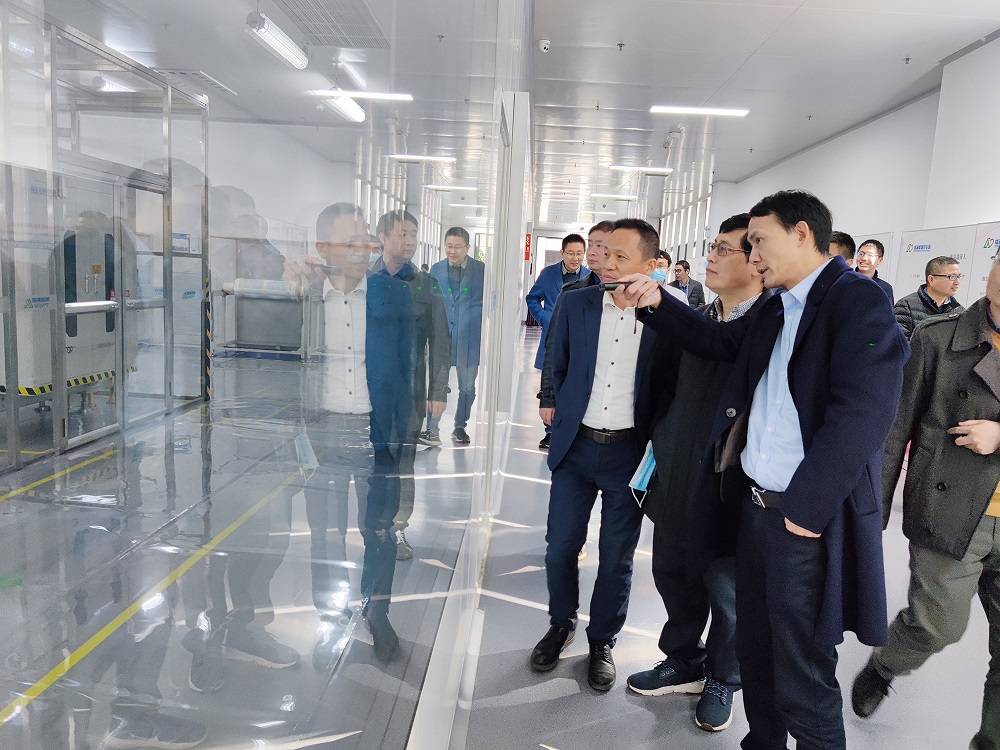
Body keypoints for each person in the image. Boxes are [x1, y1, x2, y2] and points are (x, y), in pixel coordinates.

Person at [617, 190, 909, 750]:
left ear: (802, 233)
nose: (752, 256)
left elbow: (864, 414)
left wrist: (805, 512)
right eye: (747, 245)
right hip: (755, 509)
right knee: (756, 654)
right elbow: (717, 340)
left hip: (801, 522)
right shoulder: (777, 307)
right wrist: (655, 302)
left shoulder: (857, 301)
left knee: (802, 670)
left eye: (759, 241)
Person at [627, 214, 770, 733]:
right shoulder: (696, 316)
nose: (711, 257)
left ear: (756, 262)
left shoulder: (767, 326)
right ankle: (682, 658)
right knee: (673, 571)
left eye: (724, 250)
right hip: (677, 467)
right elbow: (664, 385)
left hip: (730, 483)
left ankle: (722, 677)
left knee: (726, 588)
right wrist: (660, 439)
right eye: (713, 246)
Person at [851, 255, 1000, 750]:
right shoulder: (938, 337)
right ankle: (887, 663)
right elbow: (896, 429)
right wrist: (871, 516)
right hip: (950, 510)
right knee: (938, 626)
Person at [529, 218, 672, 693]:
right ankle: (561, 622)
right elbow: (557, 360)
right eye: (604, 253)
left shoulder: (666, 315)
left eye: (620, 256)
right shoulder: (577, 302)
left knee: (616, 556)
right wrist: (552, 404)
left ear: (650, 266)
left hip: (629, 454)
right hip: (576, 447)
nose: (606, 263)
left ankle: (602, 640)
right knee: (560, 544)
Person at [283, 202, 415, 663]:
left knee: (378, 531)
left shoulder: (392, 294)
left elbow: (406, 368)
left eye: (366, 241)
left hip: (376, 432)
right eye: (350, 242)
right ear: (323, 248)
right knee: (325, 532)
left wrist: (403, 435)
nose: (363, 250)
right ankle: (330, 612)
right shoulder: (302, 296)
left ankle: (377, 613)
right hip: (320, 433)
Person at [373, 210, 451, 560]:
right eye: (402, 234)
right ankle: (374, 527)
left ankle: (397, 529)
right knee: (373, 462)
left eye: (413, 235)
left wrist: (438, 391)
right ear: (383, 237)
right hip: (368, 391)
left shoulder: (425, 285)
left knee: (403, 462)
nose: (409, 242)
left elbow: (440, 341)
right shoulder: (366, 280)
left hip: (410, 393)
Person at [538, 222, 613, 426]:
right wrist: (548, 398)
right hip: (575, 393)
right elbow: (554, 348)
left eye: (600, 245)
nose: (592, 252)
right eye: (591, 244)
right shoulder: (572, 293)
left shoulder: (632, 296)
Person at [526, 234, 590, 449]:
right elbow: (532, 298)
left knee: (572, 383)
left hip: (578, 337)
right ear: (562, 252)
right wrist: (545, 318)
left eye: (579, 254)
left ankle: (568, 429)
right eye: (570, 253)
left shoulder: (590, 277)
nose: (575, 258)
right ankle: (550, 431)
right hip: (553, 336)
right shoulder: (549, 274)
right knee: (551, 380)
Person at [423, 227, 485, 446]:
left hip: (469, 338)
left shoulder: (481, 270)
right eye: (449, 246)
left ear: (467, 247)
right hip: (441, 337)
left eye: (458, 247)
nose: (453, 251)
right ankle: (432, 429)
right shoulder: (436, 269)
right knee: (437, 384)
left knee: (467, 387)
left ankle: (460, 427)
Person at [894, 255, 964, 337]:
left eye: (959, 277)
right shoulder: (906, 306)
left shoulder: (959, 311)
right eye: (952, 277)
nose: (957, 282)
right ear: (931, 279)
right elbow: (901, 341)